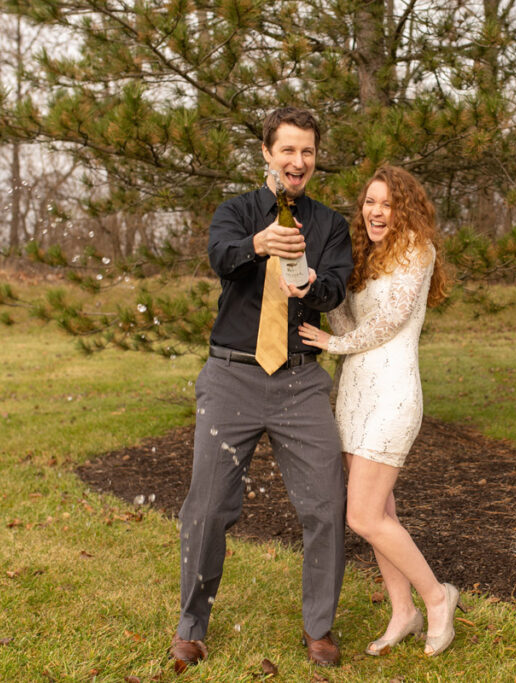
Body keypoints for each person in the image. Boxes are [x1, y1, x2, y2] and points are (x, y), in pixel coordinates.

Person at [169, 107, 354, 670]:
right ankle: (191, 626)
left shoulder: (330, 225)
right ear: (268, 155)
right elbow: (221, 258)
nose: (298, 162)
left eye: (308, 152)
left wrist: (308, 282)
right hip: (232, 377)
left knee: (326, 506)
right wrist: (259, 243)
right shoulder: (236, 212)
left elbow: (335, 289)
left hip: (300, 382)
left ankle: (319, 628)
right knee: (207, 506)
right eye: (288, 150)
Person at [299, 165, 462, 657]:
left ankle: (437, 597)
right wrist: (317, 288)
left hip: (392, 391)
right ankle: (402, 611)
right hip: (353, 393)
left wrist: (334, 342)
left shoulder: (417, 251)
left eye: (387, 204)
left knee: (364, 515)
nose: (375, 212)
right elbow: (348, 316)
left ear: (404, 209)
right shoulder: (366, 255)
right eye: (370, 202)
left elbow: (389, 322)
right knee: (381, 510)